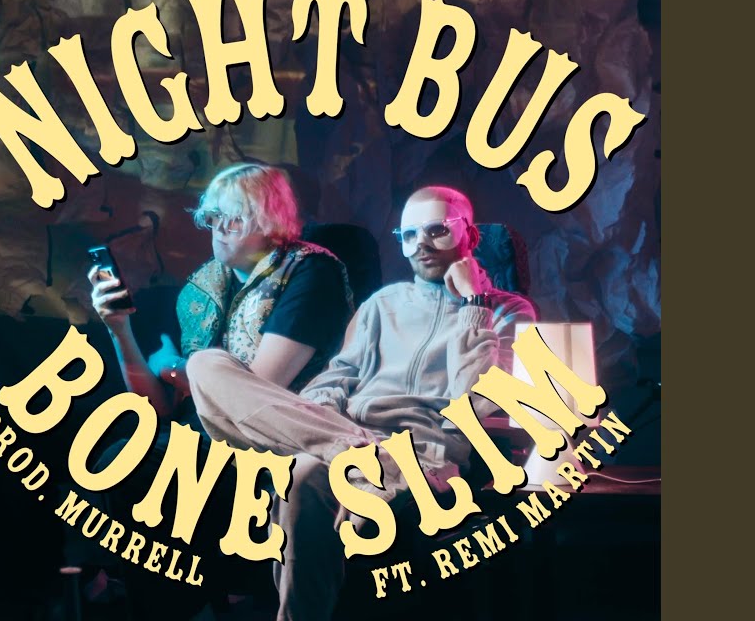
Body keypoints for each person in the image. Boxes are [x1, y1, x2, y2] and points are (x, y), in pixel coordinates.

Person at [187, 185, 537, 621]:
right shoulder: (381, 305)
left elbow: (477, 400)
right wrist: (316, 417)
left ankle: (365, 459)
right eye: (409, 235)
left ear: (471, 235)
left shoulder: (509, 311)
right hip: (353, 440)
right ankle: (364, 452)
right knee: (205, 365)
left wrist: (473, 305)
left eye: (437, 230)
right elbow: (337, 378)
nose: (421, 244)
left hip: (424, 455)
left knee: (302, 472)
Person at [82, 162, 354, 620]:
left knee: (142, 467)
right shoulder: (205, 286)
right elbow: (159, 409)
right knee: (117, 456)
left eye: (232, 217)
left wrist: (175, 369)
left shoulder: (310, 273)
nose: (217, 229)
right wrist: (118, 329)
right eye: (212, 217)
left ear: (271, 219)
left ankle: (181, 600)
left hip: (271, 439)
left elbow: (254, 396)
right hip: (202, 437)